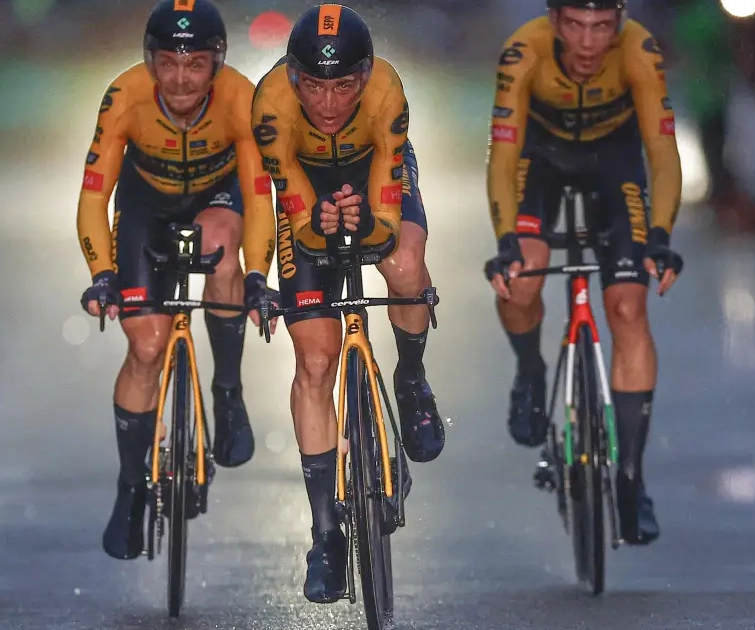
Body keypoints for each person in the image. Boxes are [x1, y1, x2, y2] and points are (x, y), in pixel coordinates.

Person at [251, 3, 442, 604]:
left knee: (405, 265)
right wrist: (320, 224)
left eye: (342, 86)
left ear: (364, 76)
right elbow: (296, 212)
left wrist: (367, 224)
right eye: (313, 85)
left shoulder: (387, 90)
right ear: (292, 77)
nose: (328, 103)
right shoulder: (270, 104)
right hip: (304, 188)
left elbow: (386, 213)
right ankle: (326, 535)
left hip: (374, 176)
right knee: (314, 358)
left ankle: (411, 378)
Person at [76, 0, 277, 561]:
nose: (181, 79)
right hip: (146, 206)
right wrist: (101, 274)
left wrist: (258, 274)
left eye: (195, 64)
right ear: (150, 62)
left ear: (217, 62)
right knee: (146, 348)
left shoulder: (241, 98)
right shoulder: (125, 95)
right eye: (168, 63)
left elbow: (259, 197)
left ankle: (227, 392)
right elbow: (93, 195)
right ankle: (130, 486)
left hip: (218, 198)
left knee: (221, 248)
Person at [483, 0, 685, 546]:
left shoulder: (639, 49)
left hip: (614, 163)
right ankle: (531, 369)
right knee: (521, 278)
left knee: (628, 305)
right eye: (575, 25)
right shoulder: (523, 50)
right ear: (554, 21)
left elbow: (662, 150)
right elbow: (503, 156)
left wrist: (661, 235)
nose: (589, 43)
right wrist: (505, 240)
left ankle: (630, 477)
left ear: (619, 22)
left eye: (601, 27)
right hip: (540, 160)